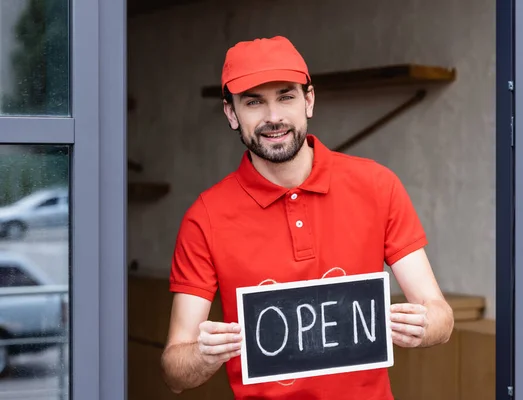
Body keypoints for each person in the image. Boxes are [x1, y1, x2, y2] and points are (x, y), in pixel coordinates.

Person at [160, 35, 454, 400]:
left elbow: (440, 315)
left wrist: (424, 326)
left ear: (308, 100)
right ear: (231, 113)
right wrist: (202, 356)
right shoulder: (205, 217)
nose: (273, 117)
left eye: (286, 96)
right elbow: (175, 372)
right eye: (254, 102)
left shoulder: (378, 186)